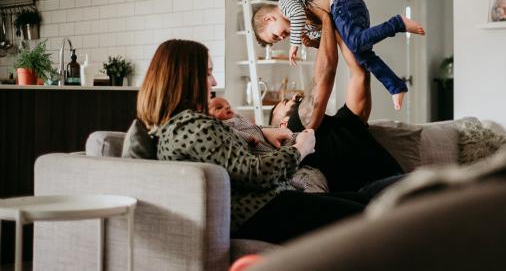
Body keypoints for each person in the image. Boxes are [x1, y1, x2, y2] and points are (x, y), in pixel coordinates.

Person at [136, 39, 369, 244]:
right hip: (263, 211)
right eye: (207, 73)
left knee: (374, 203)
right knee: (371, 217)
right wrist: (301, 149)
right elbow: (253, 172)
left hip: (270, 205)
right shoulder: (191, 126)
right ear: (185, 79)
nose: (214, 81)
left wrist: (263, 131)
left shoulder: (175, 127)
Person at [267, 4, 405, 194]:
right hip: (373, 195)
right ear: (281, 124)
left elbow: (359, 74)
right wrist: (325, 20)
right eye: (282, 104)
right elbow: (325, 75)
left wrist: (341, 28)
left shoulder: (347, 121)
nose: (289, 99)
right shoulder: (297, 131)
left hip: (404, 184)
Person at [251, 0, 425, 110]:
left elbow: (298, 14)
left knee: (355, 43)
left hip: (343, 4)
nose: (282, 37)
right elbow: (328, 39)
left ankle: (397, 23)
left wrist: (294, 44)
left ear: (269, 19)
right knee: (362, 56)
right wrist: (313, 42)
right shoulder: (302, 26)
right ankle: (395, 86)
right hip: (343, 16)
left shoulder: (285, 4)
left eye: (275, 35)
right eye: (278, 40)